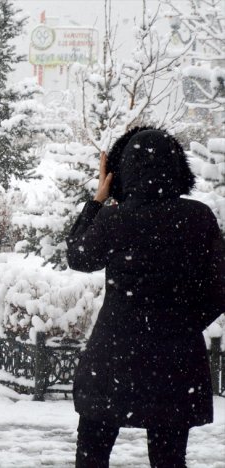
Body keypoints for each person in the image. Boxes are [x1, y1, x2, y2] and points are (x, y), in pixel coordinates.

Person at [66, 127, 224, 468]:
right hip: (176, 362)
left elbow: (79, 257)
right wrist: (182, 323)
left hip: (113, 358)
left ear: (122, 172)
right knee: (168, 460)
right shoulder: (198, 218)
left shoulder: (115, 219)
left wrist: (97, 200)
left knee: (92, 455)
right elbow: (219, 288)